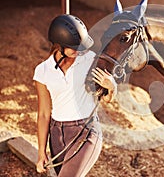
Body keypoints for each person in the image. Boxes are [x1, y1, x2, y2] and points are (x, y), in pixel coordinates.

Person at [34, 14, 117, 176]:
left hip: (86, 132)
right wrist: (41, 152)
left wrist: (111, 86)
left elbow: (106, 98)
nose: (80, 51)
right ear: (59, 45)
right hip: (57, 136)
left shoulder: (91, 60)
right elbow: (43, 114)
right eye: (75, 47)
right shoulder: (42, 71)